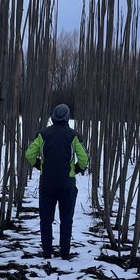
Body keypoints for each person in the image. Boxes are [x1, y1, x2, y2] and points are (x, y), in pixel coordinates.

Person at [24, 104, 89, 259]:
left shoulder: (42, 134)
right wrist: (74, 170)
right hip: (67, 185)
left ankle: (47, 252)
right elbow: (84, 160)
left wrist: (41, 166)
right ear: (67, 117)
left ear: (53, 116)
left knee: (46, 219)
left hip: (47, 184)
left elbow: (29, 154)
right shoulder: (74, 136)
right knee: (66, 219)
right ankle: (65, 253)